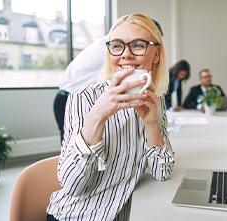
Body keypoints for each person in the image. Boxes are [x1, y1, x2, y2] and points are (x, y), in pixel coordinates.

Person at [46, 13, 174, 221]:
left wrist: (152, 124)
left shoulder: (156, 101)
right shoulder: (82, 99)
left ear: (156, 55)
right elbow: (73, 186)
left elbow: (163, 172)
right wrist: (97, 115)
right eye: (117, 46)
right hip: (76, 216)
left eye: (138, 45)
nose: (126, 54)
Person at [53, 21, 163, 143]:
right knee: (70, 145)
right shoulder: (113, 44)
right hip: (68, 98)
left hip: (71, 95)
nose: (127, 54)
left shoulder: (116, 41)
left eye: (139, 45)